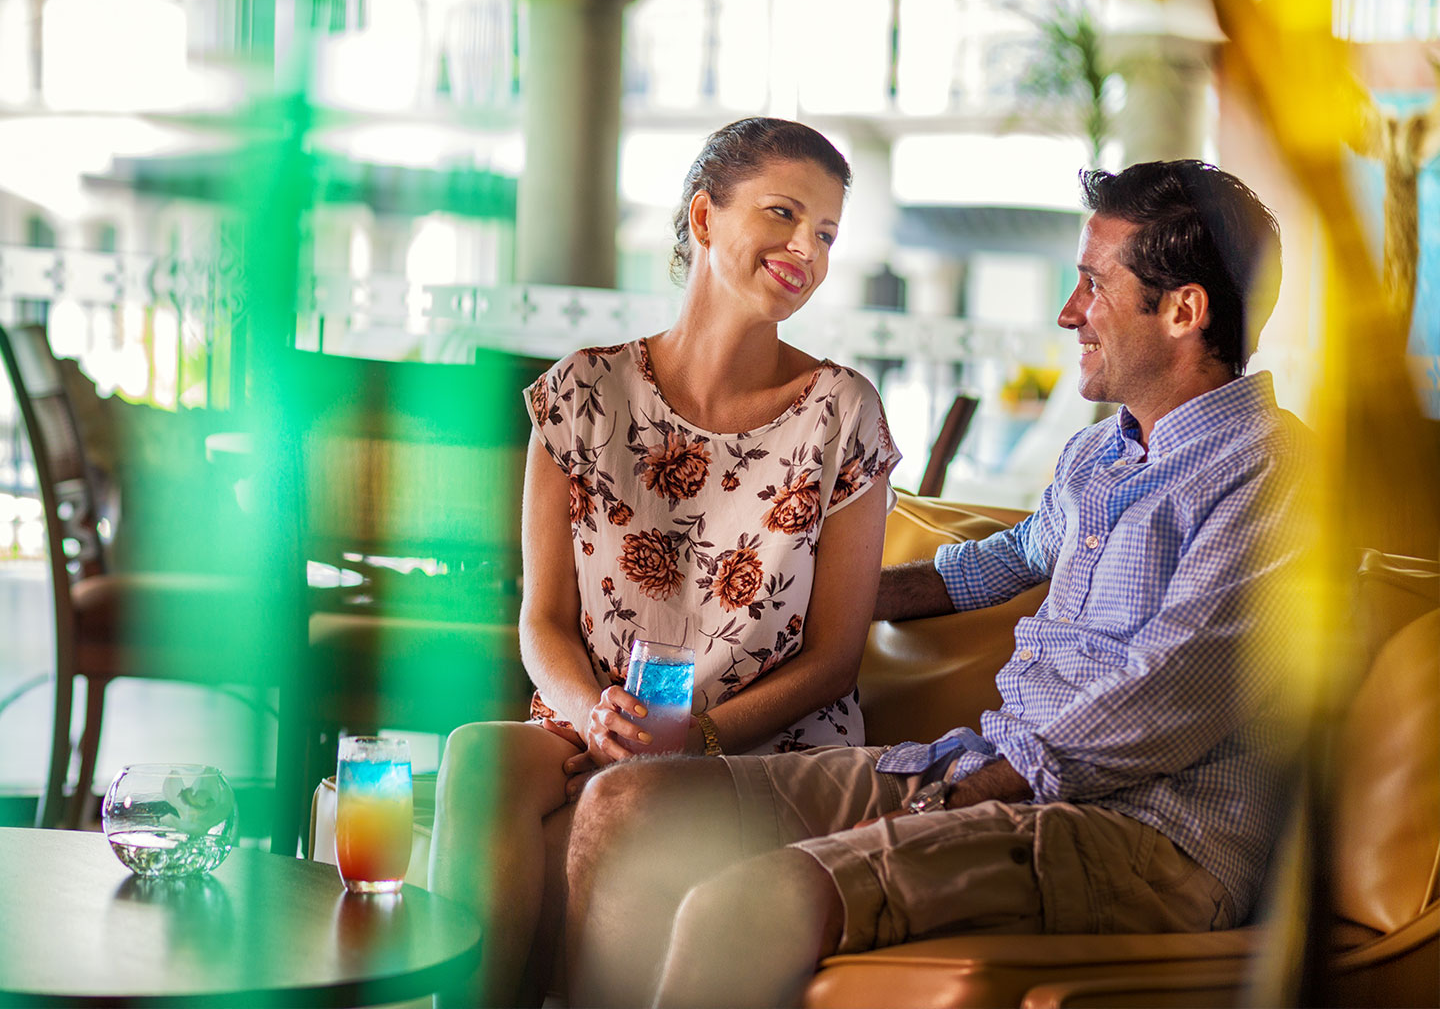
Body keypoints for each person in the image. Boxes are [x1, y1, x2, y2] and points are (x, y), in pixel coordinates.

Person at [562, 159, 1313, 1008]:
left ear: (1183, 310)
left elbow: (1173, 690)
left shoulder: (1275, 479)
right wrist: (819, 590)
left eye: (1091, 286)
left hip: (1149, 838)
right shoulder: (1104, 455)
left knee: (745, 903)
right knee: (630, 803)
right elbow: (1010, 556)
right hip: (999, 774)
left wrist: (973, 791)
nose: (1070, 314)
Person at [428, 118, 900, 1006]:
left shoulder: (842, 412)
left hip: (758, 747)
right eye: (784, 213)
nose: (808, 247)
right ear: (705, 217)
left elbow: (837, 657)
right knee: (479, 757)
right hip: (596, 723)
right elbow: (543, 623)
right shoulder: (582, 393)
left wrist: (699, 738)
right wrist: (593, 716)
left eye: (827, 233)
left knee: (634, 796)